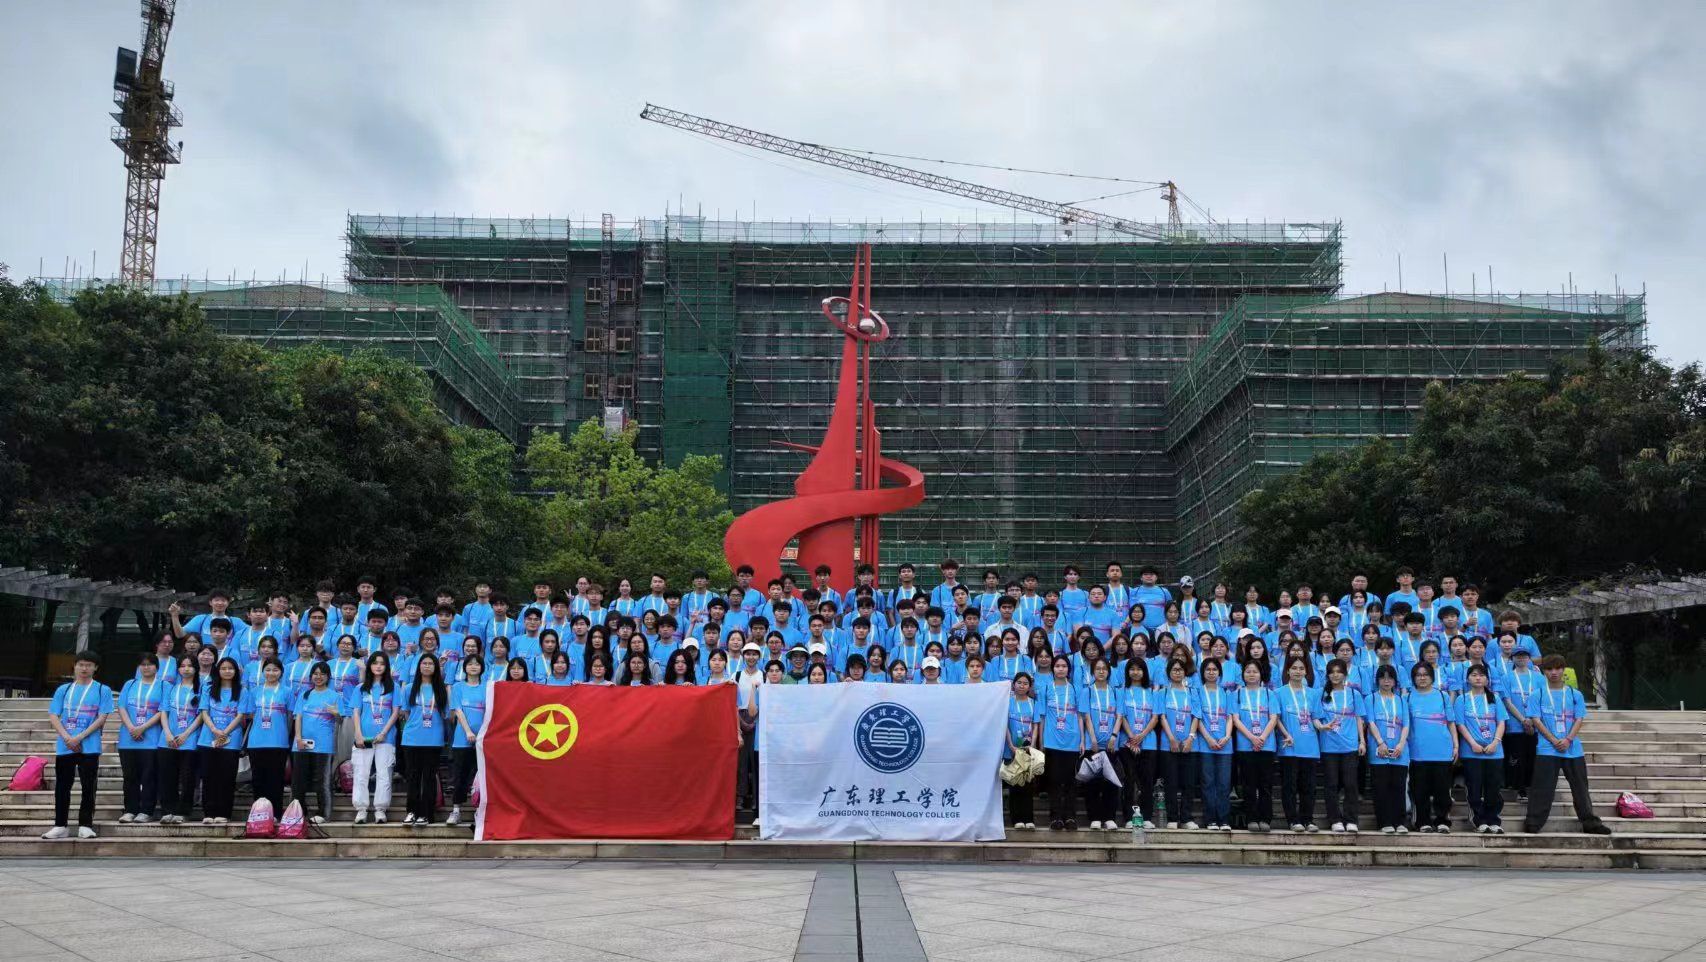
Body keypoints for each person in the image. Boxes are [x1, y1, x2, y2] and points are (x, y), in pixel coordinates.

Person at [1524, 654, 1611, 835]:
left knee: (1580, 787)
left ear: (1564, 670)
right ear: (1543, 671)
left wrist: (1568, 739)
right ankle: (1533, 822)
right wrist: (1553, 740)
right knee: (1542, 787)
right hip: (1547, 748)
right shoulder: (1537, 694)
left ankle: (1590, 823)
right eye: (1549, 669)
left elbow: (1579, 719)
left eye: (1558, 668)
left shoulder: (1574, 694)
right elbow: (1536, 720)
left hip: (1572, 748)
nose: (1554, 672)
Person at [43, 652, 114, 840]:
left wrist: (79, 737)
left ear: (95, 668)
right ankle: (60, 825)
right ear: (74, 666)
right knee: (62, 787)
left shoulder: (102, 690)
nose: (84, 668)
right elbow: (53, 715)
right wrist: (67, 737)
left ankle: (85, 825)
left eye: (89, 665)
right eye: (81, 664)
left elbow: (102, 717)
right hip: (65, 745)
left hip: (89, 746)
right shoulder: (64, 689)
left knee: (88, 786)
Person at [1456, 663, 1508, 833]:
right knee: (1474, 787)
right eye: (1474, 675)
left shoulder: (1495, 698)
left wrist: (1495, 742)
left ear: (1487, 679)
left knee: (1493, 787)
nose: (1478, 678)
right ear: (1467, 679)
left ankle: (1493, 819)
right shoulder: (1462, 699)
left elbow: (1501, 722)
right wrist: (1473, 743)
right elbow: (1460, 724)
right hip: (1472, 751)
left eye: (1481, 675)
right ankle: (1479, 820)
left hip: (1494, 751)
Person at [349, 652, 400, 824]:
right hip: (364, 737)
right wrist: (358, 734)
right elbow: (356, 712)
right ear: (369, 666)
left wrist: (384, 732)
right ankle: (361, 809)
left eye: (382, 664)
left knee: (384, 774)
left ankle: (380, 809)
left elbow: (395, 713)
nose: (378, 666)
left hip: (386, 737)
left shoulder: (394, 687)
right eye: (375, 663)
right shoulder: (360, 688)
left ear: (387, 667)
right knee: (361, 774)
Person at [196, 657, 248, 825]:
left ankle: (224, 813)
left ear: (236, 672)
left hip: (231, 741)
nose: (227, 671)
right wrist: (214, 730)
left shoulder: (242, 691)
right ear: (217, 671)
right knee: (208, 777)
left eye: (230, 668)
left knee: (226, 778)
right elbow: (204, 712)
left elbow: (240, 715)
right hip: (208, 739)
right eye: (223, 668)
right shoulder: (208, 688)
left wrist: (224, 732)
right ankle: (208, 812)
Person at [116, 652, 166, 824]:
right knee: (130, 777)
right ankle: (130, 809)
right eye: (143, 664)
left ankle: (146, 810)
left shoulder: (164, 686)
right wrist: (131, 727)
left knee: (149, 777)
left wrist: (142, 728)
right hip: (128, 739)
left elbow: (163, 711)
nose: (146, 667)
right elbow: (121, 707)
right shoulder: (130, 684)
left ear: (156, 667)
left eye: (150, 664)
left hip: (151, 739)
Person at [1407, 662, 1456, 833]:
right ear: (1413, 678)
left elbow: (1451, 722)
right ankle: (1422, 821)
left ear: (1432, 677)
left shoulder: (1442, 696)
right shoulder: (1407, 697)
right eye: (1418, 675)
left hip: (1442, 750)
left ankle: (1442, 820)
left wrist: (1455, 745)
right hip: (1418, 752)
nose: (1422, 678)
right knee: (1420, 790)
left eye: (1425, 674)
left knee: (1442, 789)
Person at [400, 652, 447, 825]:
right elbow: (405, 712)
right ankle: (412, 811)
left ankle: (426, 814)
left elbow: (446, 714)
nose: (427, 666)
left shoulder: (441, 689)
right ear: (419, 666)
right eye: (424, 663)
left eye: (430, 664)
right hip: (412, 738)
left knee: (429, 777)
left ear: (436, 668)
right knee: (413, 776)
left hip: (433, 738)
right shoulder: (408, 688)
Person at [1317, 658, 1364, 833]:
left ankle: (1351, 819)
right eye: (1332, 672)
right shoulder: (1321, 693)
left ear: (1345, 674)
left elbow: (1359, 718)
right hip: (1329, 745)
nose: (1335, 675)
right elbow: (1315, 717)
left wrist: (1362, 741)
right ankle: (1335, 819)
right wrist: (1322, 727)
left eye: (1339, 672)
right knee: (1331, 784)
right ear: (1328, 675)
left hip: (1350, 746)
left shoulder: (1354, 694)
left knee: (1350, 784)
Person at [292, 661, 341, 824]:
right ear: (311, 676)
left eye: (322, 674)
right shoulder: (304, 695)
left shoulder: (334, 696)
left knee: (323, 780)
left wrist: (336, 713)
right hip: (301, 744)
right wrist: (298, 738)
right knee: (298, 780)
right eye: (315, 674)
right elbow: (298, 717)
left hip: (323, 745)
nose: (318, 677)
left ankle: (323, 813)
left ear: (328, 677)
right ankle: (298, 811)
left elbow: (341, 721)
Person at [1231, 658, 1277, 832]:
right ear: (1243, 674)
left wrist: (1261, 738)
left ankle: (1265, 818)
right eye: (1248, 671)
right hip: (1245, 745)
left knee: (1265, 784)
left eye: (1255, 671)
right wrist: (1252, 738)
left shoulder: (1269, 694)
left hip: (1267, 744)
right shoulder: (1236, 694)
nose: (1251, 674)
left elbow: (1273, 718)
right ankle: (1251, 817)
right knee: (1248, 784)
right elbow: (1236, 719)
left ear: (1261, 674)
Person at [156, 654, 203, 824]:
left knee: (187, 777)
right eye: (182, 666)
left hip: (189, 738)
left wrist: (186, 734)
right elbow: (164, 712)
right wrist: (168, 733)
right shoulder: (170, 688)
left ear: (196, 668)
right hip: (167, 738)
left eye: (190, 665)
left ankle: (183, 812)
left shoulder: (202, 688)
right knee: (167, 776)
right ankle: (168, 810)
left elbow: (201, 715)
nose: (186, 669)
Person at [1275, 655, 1320, 832]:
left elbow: (1315, 717)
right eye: (1294, 668)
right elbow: (1276, 718)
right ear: (1287, 670)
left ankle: (1308, 819)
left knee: (1308, 786)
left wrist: (1322, 726)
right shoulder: (1279, 693)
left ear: (1306, 671)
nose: (1298, 671)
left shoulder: (1313, 693)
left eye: (1301, 668)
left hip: (1310, 745)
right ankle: (1293, 820)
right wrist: (1286, 734)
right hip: (1289, 746)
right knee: (1290, 786)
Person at [1365, 665, 1410, 834]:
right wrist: (1380, 742)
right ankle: (1384, 822)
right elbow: (1371, 722)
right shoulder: (1371, 699)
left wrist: (1401, 744)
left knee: (1399, 787)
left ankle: (1400, 822)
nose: (1386, 681)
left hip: (1399, 750)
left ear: (1395, 681)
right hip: (1379, 749)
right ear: (1377, 680)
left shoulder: (1401, 700)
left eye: (1390, 678)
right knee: (1381, 787)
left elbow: (1406, 724)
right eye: (1382, 677)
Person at [244, 658, 292, 817]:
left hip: (278, 741)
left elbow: (290, 717)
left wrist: (285, 735)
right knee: (258, 779)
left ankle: (275, 814)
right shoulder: (254, 691)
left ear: (281, 673)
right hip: (256, 741)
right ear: (263, 671)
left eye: (275, 670)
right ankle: (259, 814)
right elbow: (250, 715)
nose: (271, 673)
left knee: (276, 780)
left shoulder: (287, 691)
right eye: (268, 670)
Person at [1116, 659, 1159, 828]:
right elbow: (1121, 715)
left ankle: (1146, 817)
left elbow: (1155, 717)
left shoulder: (1152, 692)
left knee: (1147, 781)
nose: (1135, 672)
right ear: (1127, 672)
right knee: (1129, 780)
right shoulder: (1122, 691)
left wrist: (1141, 735)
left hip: (1148, 742)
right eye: (1132, 669)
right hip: (1126, 742)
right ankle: (1128, 817)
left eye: (1139, 669)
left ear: (1144, 672)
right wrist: (1132, 736)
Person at [1039, 655, 1081, 831]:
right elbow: (1041, 717)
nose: (1061, 669)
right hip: (1052, 741)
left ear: (1068, 669)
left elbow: (1080, 716)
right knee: (1054, 781)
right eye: (1057, 666)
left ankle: (1070, 816)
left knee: (1070, 781)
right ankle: (1055, 817)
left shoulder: (1075, 689)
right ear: (1053, 669)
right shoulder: (1046, 688)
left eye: (1064, 666)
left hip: (1072, 741)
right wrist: (1041, 741)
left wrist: (1082, 740)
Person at [1080, 658, 1121, 830]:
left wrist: (1114, 736)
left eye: (1104, 668)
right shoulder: (1087, 691)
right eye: (1098, 668)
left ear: (1109, 672)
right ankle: (1095, 817)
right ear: (1093, 672)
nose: (1101, 671)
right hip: (1093, 744)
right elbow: (1086, 716)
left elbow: (1119, 716)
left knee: (1111, 782)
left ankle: (1109, 817)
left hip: (1111, 744)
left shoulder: (1115, 692)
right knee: (1093, 783)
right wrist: (1092, 739)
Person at [1193, 659, 1234, 831]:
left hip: (1225, 745)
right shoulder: (1197, 692)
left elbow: (1230, 717)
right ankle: (1210, 820)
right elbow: (1197, 718)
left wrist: (1227, 736)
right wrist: (1208, 738)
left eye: (1214, 669)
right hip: (1205, 744)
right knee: (1208, 783)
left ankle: (1224, 820)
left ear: (1219, 673)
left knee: (1224, 784)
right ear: (1202, 673)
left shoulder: (1226, 692)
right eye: (1208, 669)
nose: (1211, 672)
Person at [1158, 659, 1199, 829]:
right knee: (1171, 782)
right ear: (1169, 672)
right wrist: (1171, 739)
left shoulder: (1192, 692)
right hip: (1169, 744)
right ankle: (1173, 818)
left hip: (1190, 744)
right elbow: (1162, 717)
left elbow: (1196, 716)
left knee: (1189, 783)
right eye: (1174, 669)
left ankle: (1187, 818)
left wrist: (1190, 738)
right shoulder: (1162, 692)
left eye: (1180, 670)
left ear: (1185, 672)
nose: (1177, 672)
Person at [448, 655, 486, 826]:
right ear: (465, 668)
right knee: (460, 776)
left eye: (477, 664)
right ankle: (456, 810)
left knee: (481, 777)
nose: (473, 667)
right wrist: (468, 731)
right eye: (470, 664)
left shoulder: (487, 688)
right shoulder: (458, 687)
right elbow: (458, 711)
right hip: (462, 739)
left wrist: (482, 734)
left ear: (482, 668)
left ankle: (481, 811)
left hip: (482, 740)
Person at [1005, 672, 1040, 829]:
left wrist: (1032, 745)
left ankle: (1028, 818)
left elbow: (1036, 725)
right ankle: (1017, 819)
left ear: (1029, 686)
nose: (1022, 685)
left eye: (1025, 683)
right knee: (1015, 785)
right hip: (1012, 750)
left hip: (1027, 750)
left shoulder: (1034, 703)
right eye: (1019, 682)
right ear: (1014, 684)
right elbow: (1004, 725)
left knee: (1027, 785)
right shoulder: (1007, 702)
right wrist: (1011, 745)